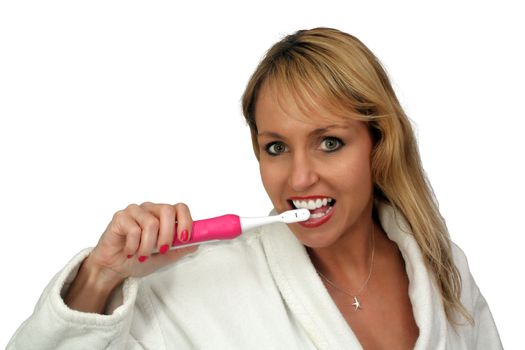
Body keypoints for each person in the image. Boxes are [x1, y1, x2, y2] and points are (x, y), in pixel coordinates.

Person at [7, 27, 502, 350]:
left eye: (329, 142)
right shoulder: (198, 284)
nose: (300, 177)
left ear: (380, 141)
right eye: (276, 148)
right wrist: (100, 276)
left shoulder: (445, 269)